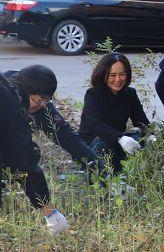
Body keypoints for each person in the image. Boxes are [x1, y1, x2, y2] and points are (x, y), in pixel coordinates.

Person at [6, 65, 108, 182]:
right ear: (23, 93)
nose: (43, 105)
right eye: (39, 100)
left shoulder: (39, 101)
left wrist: (103, 172)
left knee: (32, 151)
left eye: (47, 99)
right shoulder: (6, 97)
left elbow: (68, 137)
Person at [0, 72, 69, 235]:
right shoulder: (11, 104)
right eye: (39, 100)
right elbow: (21, 158)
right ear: (26, 91)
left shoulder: (7, 84)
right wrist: (48, 210)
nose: (42, 105)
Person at [79, 53, 152, 174]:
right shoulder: (93, 94)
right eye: (112, 75)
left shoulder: (130, 94)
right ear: (104, 75)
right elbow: (95, 123)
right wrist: (120, 138)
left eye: (122, 74)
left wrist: (150, 135)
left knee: (141, 138)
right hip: (92, 146)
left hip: (116, 142)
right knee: (103, 143)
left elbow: (141, 120)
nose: (118, 79)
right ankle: (102, 179)